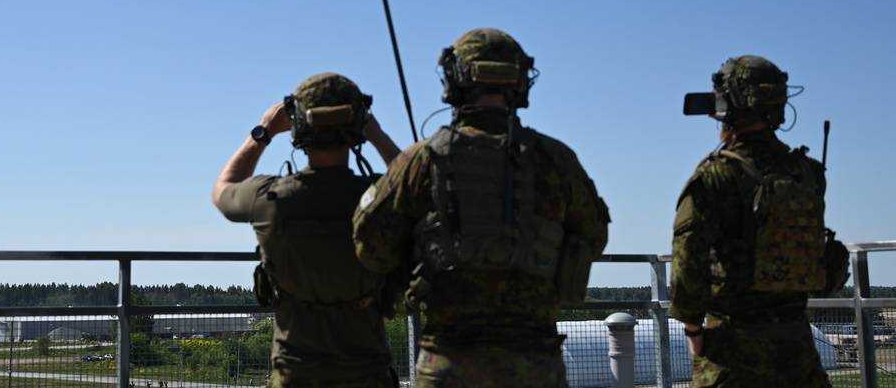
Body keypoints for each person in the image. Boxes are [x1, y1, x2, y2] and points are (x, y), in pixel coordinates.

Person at [352, 28, 610, 388]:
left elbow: (370, 248)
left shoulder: (420, 161)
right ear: (520, 83)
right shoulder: (557, 160)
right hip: (535, 362)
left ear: (452, 82)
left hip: (449, 362)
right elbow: (593, 237)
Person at [212, 73, 402, 388]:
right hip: (369, 375)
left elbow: (223, 190)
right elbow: (416, 184)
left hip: (295, 376)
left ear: (298, 126)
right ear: (356, 125)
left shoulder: (269, 198)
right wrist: (376, 133)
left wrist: (264, 132)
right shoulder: (381, 197)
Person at [670, 55, 835, 388]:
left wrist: (695, 333)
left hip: (733, 355)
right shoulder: (807, 172)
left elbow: (687, 268)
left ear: (730, 102)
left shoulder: (716, 175)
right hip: (799, 353)